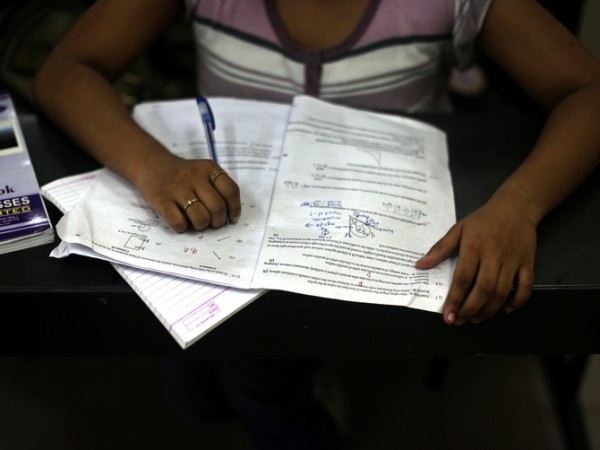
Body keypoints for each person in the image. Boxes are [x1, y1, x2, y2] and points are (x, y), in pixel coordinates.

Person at [32, 0, 600, 447]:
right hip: (227, 239)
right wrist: (152, 166)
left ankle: (298, 393)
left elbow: (588, 90)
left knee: (258, 384)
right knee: (194, 389)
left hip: (374, 240)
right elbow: (65, 71)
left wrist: (518, 204)